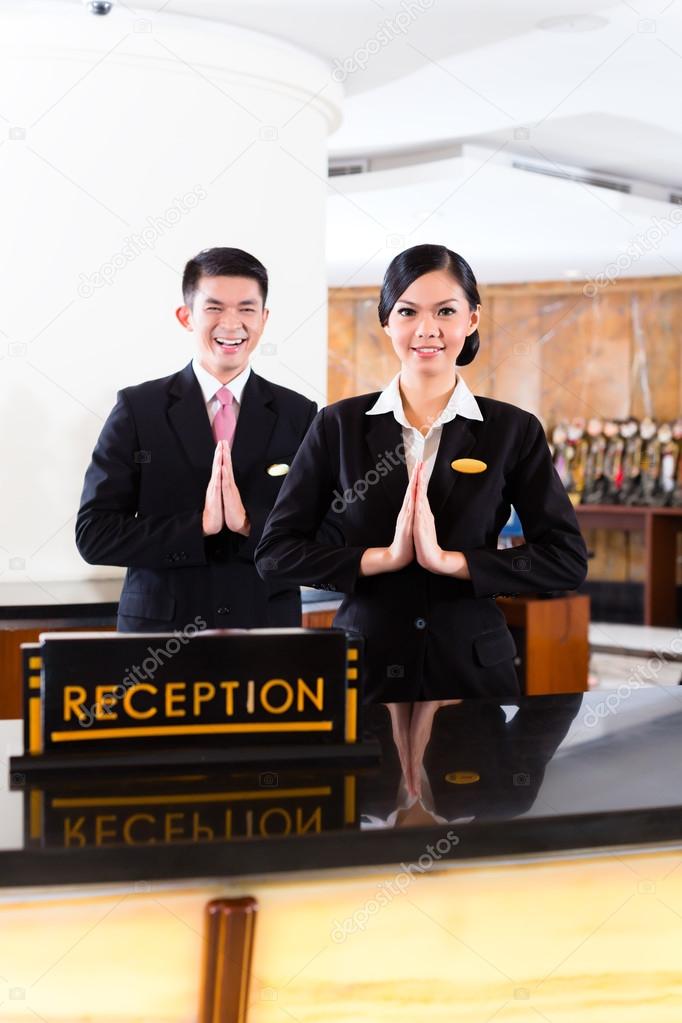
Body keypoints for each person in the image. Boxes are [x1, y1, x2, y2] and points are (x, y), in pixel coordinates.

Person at [255, 244, 588, 701]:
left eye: (445, 311)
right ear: (386, 321)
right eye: (408, 311)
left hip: (472, 671)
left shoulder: (512, 430)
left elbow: (565, 559)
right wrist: (382, 558)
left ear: (471, 319)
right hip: (364, 670)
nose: (426, 329)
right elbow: (276, 554)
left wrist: (454, 563)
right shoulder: (338, 425)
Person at [76, 247, 317, 632]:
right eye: (214, 308)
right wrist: (198, 526)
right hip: (158, 635)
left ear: (264, 318)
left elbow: (323, 534)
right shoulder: (139, 408)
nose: (232, 323)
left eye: (246, 309)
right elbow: (95, 535)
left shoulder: (299, 414)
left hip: (266, 631)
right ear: (186, 316)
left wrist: (248, 523)